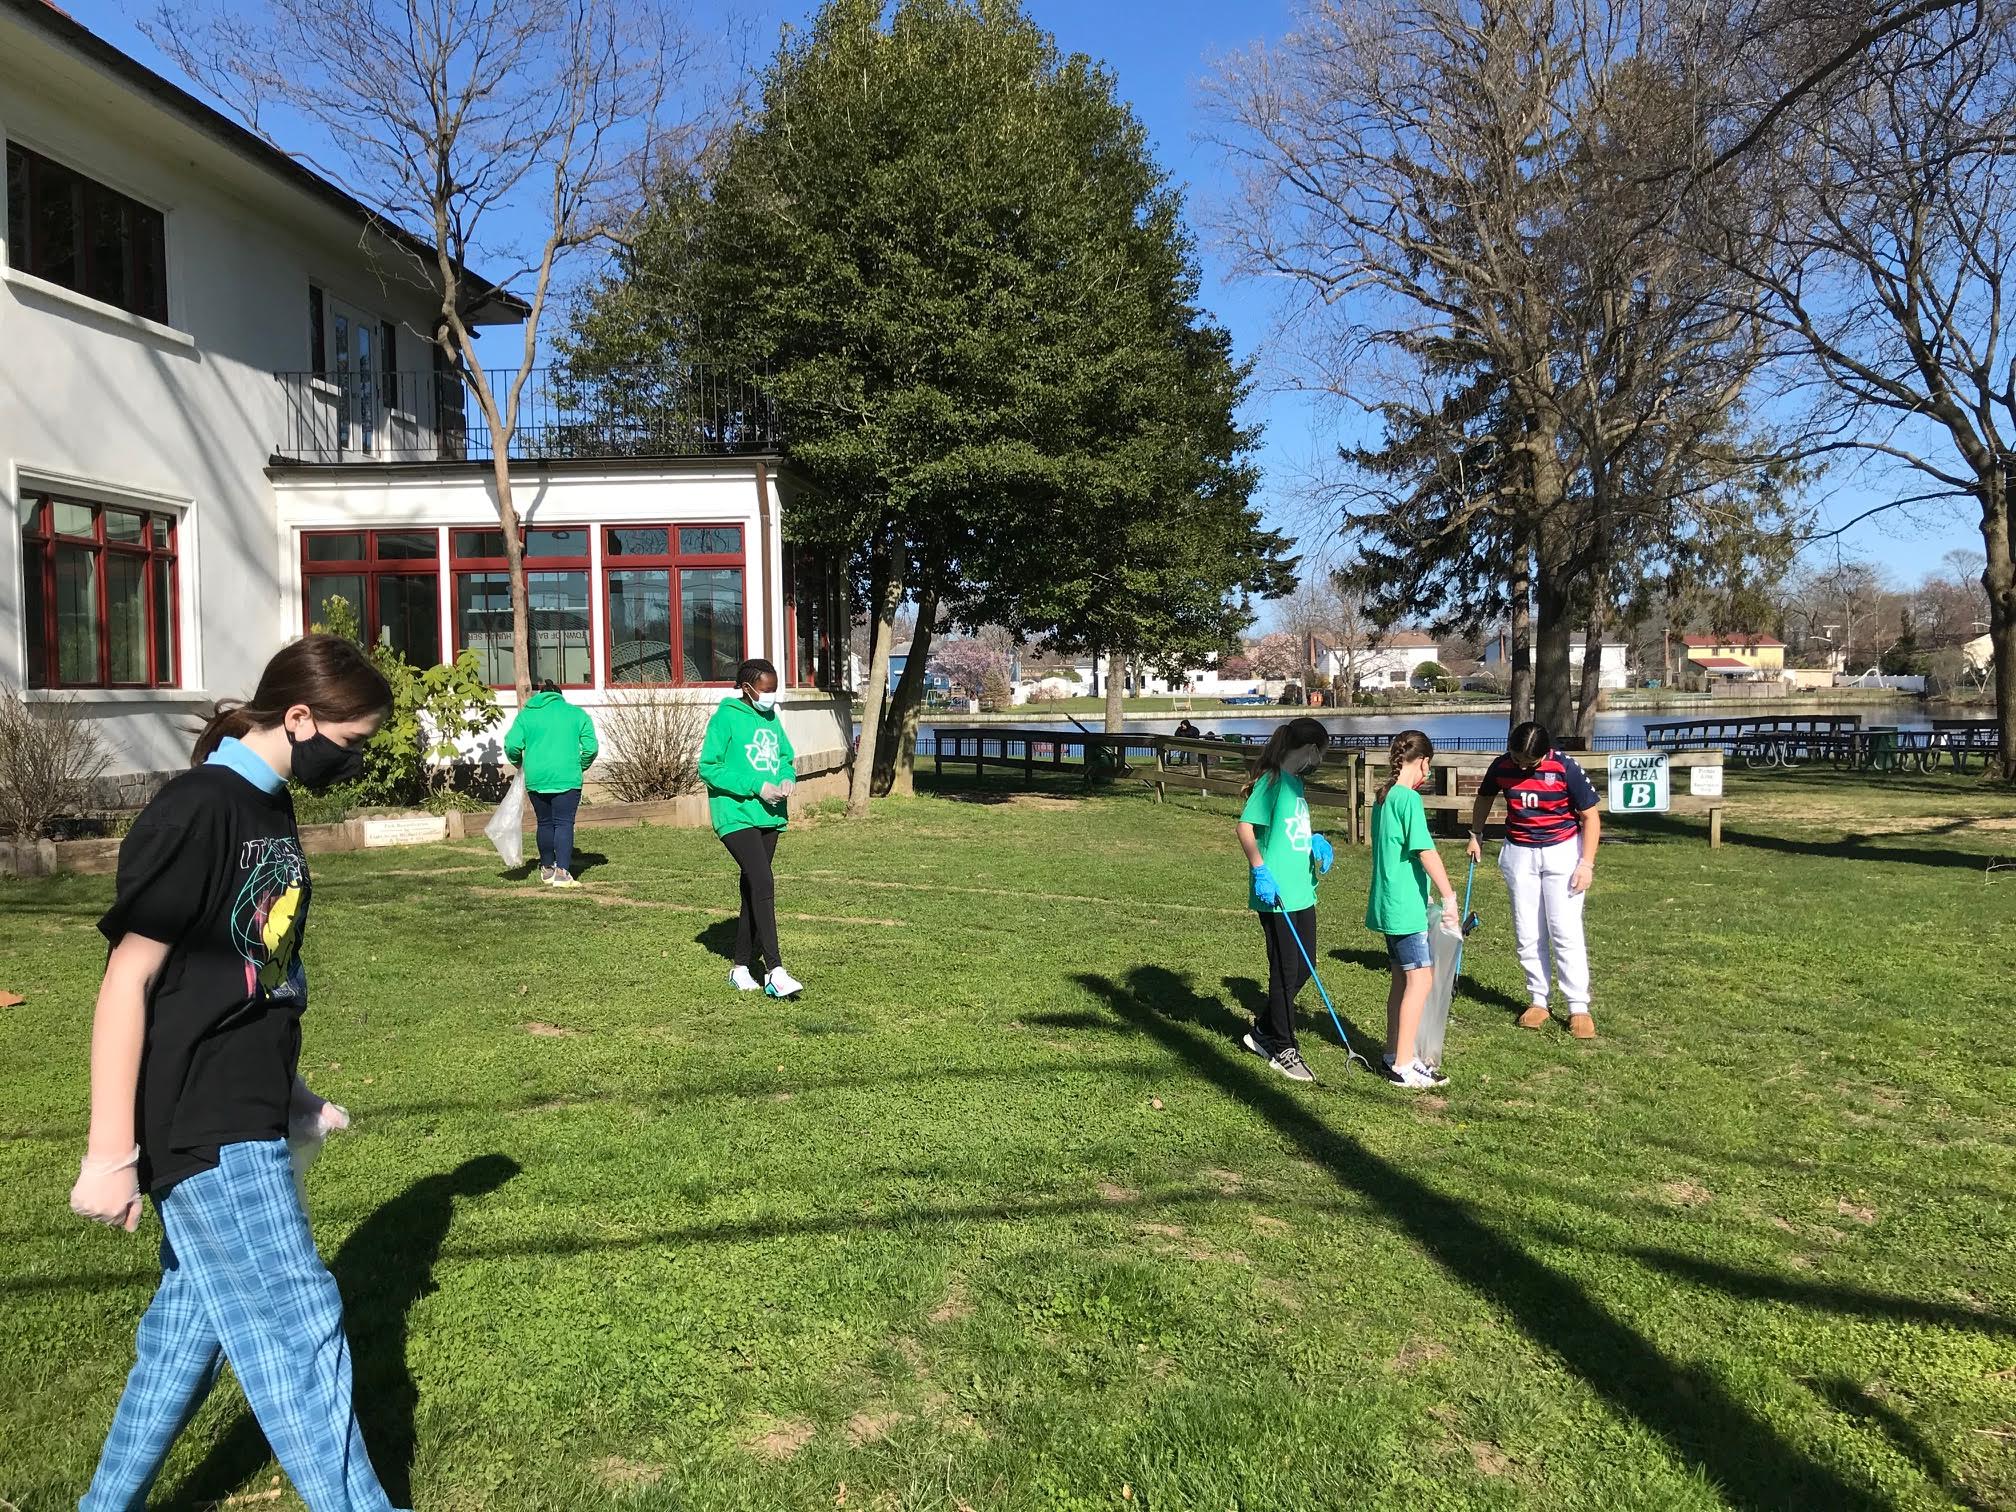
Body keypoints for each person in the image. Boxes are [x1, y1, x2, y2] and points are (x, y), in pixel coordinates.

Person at [70, 634, 405, 1511]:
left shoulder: (270, 805)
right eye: (354, 740)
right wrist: (110, 1153)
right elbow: (129, 981)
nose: (357, 758)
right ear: (299, 718)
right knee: (300, 1323)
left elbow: (254, 971)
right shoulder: (199, 809)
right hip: (203, 1118)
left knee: (186, 1334)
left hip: (248, 1102)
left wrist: (293, 1094)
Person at [1466, 719, 1603, 1038]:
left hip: (1563, 852)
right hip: (1519, 854)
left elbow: (1590, 816)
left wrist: (1587, 864)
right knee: (1527, 930)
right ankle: (1538, 1000)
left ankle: (1578, 1006)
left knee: (1564, 930)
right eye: (1517, 759)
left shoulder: (1565, 767)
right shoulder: (1501, 765)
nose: (1521, 766)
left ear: (1545, 754)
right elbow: (1485, 797)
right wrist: (1476, 834)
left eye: (1530, 762)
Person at [1235, 717, 1336, 1083]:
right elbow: (1245, 827)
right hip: (1276, 893)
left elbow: (1292, 830)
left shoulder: (1296, 785)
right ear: (1310, 750)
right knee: (1284, 970)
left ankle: (1263, 1029)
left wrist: (1314, 841)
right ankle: (1283, 1046)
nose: (1320, 761)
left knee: (1306, 965)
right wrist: (1260, 869)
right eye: (1321, 754)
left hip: (1301, 891)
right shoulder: (1273, 781)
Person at [700, 658, 802, 998]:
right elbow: (709, 768)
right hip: (735, 814)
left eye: (774, 689)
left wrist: (787, 777)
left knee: (752, 888)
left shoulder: (772, 719)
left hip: (769, 815)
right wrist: (755, 784)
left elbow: (786, 757)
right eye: (766, 690)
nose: (771, 696)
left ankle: (740, 967)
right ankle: (775, 970)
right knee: (763, 881)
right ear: (747, 688)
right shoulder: (725, 719)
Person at [1367, 729, 1461, 1089]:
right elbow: (1425, 851)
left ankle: (1394, 1052)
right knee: (1420, 981)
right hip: (1404, 908)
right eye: (1427, 767)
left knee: (1401, 979)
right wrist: (1449, 896)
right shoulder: (1407, 799)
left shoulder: (1383, 796)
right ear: (1422, 761)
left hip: (1389, 904)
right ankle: (1404, 1065)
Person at [503, 677, 600, 888]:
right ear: (559, 696)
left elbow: (511, 745)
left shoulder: (526, 716)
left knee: (544, 823)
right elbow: (591, 748)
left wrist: (519, 762)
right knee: (564, 823)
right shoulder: (576, 714)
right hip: (567, 777)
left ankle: (547, 868)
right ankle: (562, 873)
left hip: (536, 777)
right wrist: (580, 765)